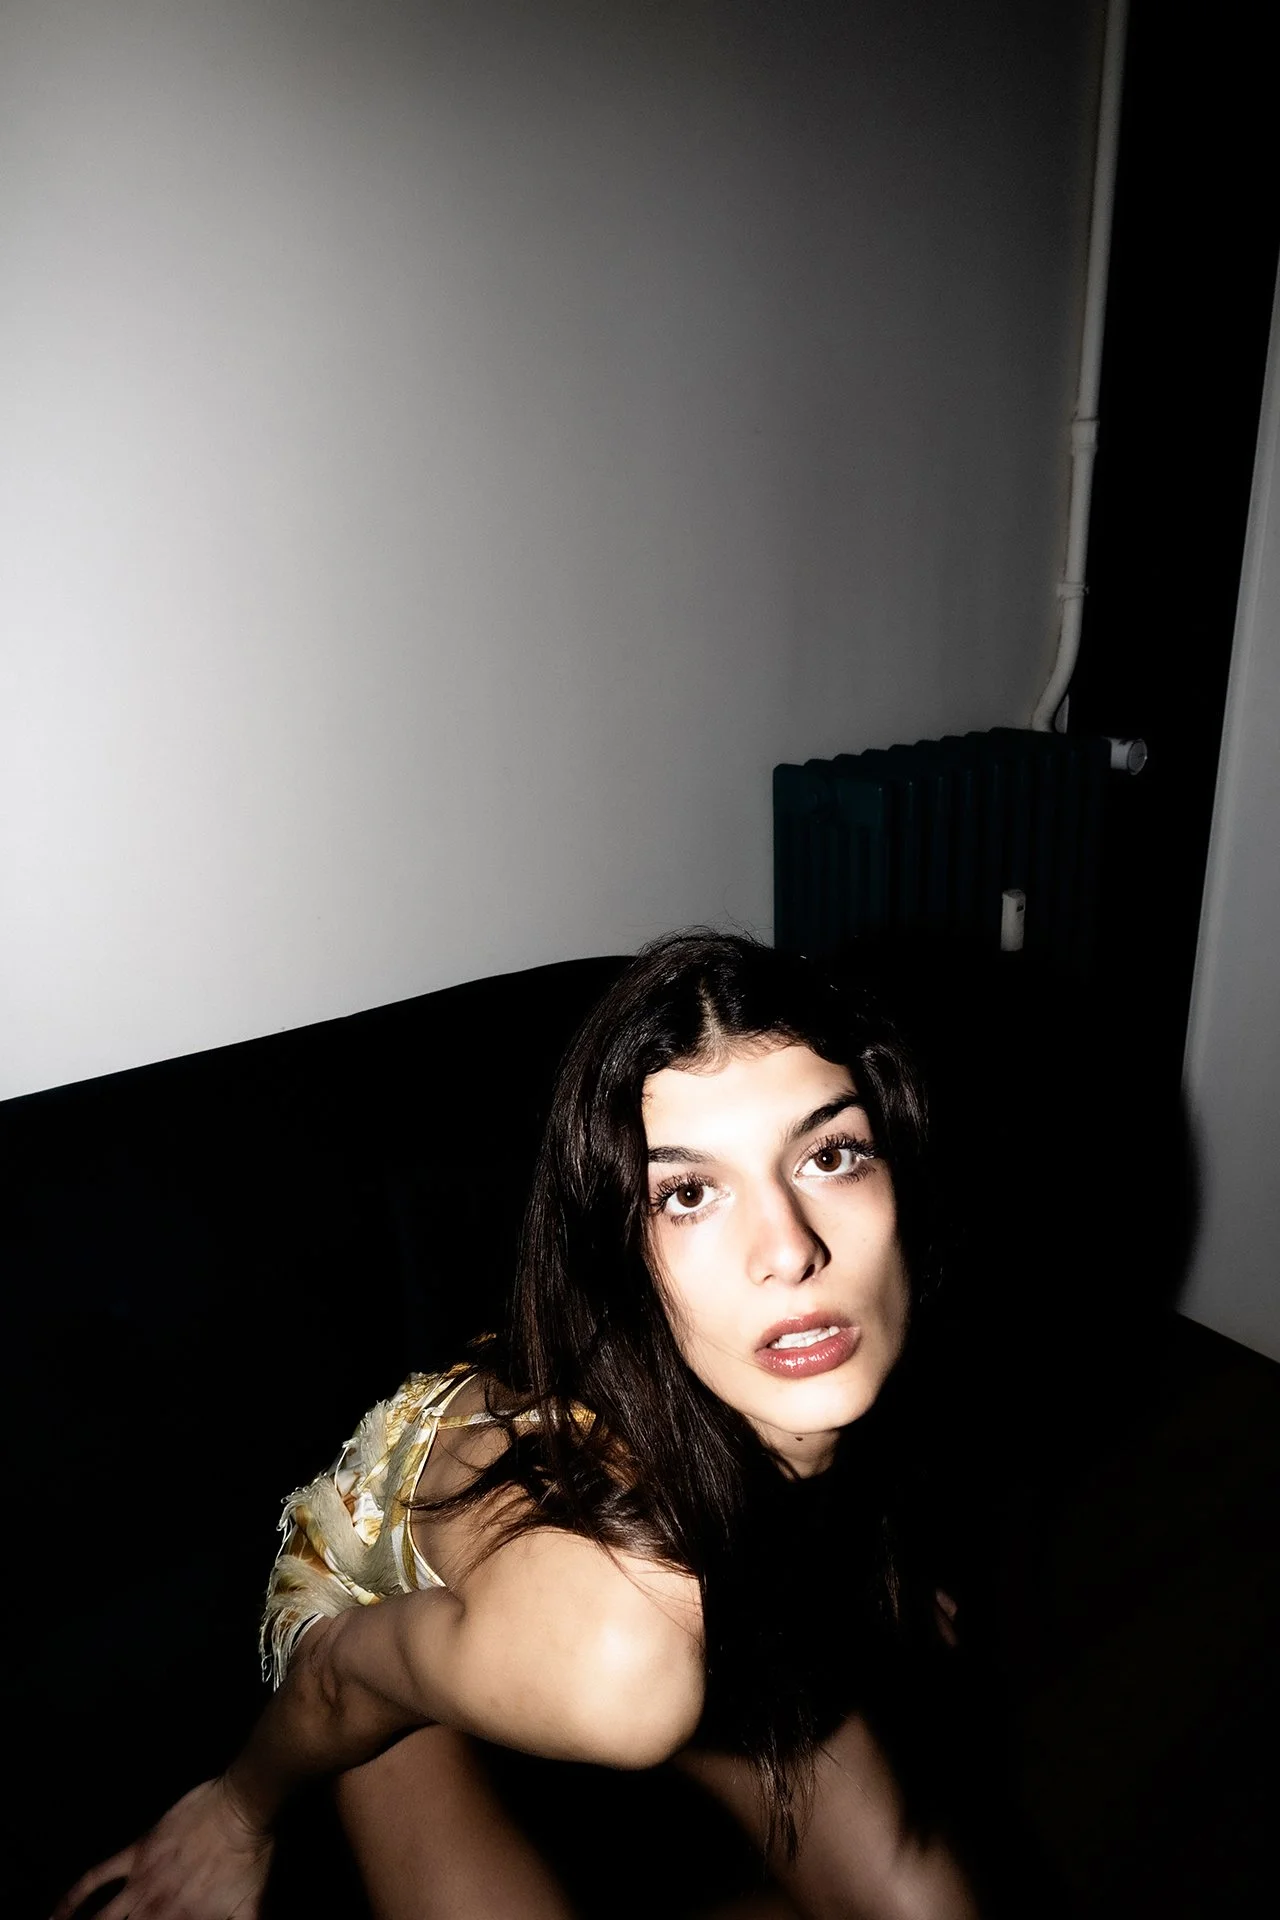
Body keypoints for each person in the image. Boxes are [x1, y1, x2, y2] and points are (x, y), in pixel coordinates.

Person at [54, 929, 989, 1920]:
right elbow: (340, 1679)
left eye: (829, 1155)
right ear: (623, 1262)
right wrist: (240, 1813)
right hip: (376, 1578)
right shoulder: (620, 1647)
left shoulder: (859, 1340)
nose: (789, 1251)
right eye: (686, 1193)